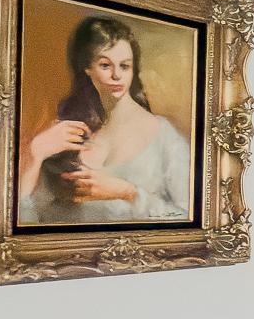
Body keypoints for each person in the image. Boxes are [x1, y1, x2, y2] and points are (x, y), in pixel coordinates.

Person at [18, 14, 191, 224]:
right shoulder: (66, 132)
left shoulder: (163, 135)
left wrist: (128, 192)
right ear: (87, 68)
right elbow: (26, 220)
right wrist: (36, 154)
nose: (117, 75)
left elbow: (187, 216)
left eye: (125, 66)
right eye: (106, 65)